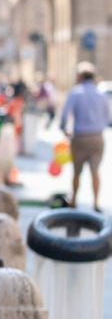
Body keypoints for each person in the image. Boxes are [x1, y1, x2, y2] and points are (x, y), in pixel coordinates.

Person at [60, 62, 109, 211]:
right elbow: (108, 117)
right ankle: (96, 203)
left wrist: (64, 130)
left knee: (76, 172)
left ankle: (74, 200)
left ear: (80, 77)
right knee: (95, 171)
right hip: (97, 137)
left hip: (80, 137)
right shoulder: (101, 94)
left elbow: (64, 115)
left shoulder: (76, 92)